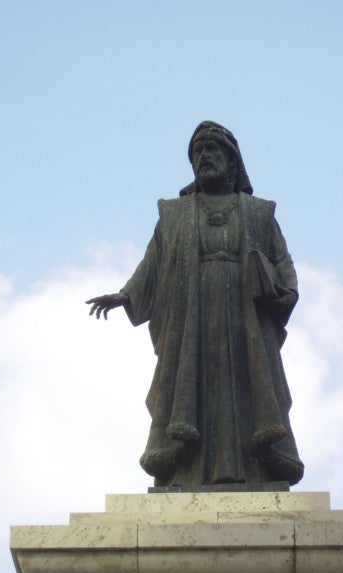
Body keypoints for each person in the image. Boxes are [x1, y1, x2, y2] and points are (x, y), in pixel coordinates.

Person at [87, 121, 304, 487]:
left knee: (247, 386)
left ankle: (256, 468)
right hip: (192, 316)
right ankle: (187, 470)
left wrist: (280, 289)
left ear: (233, 162)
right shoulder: (174, 216)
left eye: (212, 149)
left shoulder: (259, 213)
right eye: (197, 152)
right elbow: (152, 263)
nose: (204, 157)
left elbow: (284, 267)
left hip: (245, 315)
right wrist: (125, 295)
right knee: (193, 389)